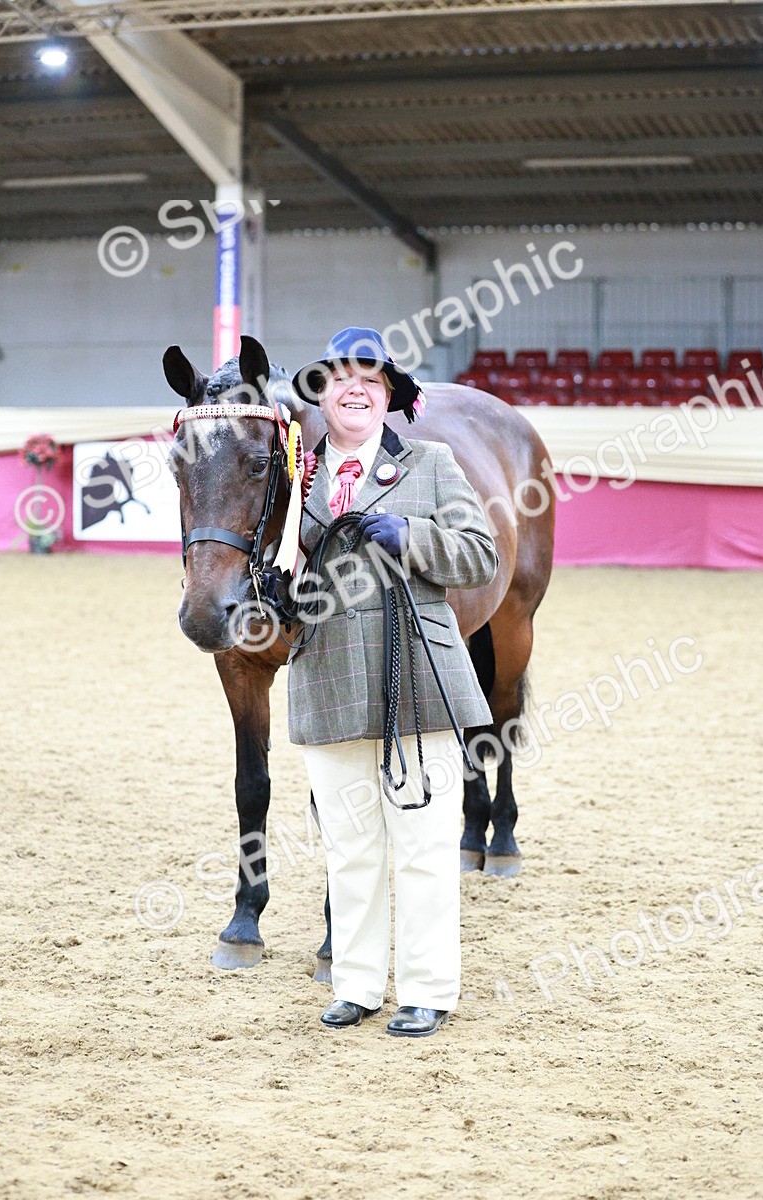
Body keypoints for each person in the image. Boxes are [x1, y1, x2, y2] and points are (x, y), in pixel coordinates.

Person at [288, 327, 498, 1037]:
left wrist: (411, 538)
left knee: (425, 847)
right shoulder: (295, 476)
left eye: (371, 380)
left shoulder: (431, 463)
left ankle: (428, 990)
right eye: (342, 377)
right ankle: (356, 984)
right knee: (349, 849)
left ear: (388, 396)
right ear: (322, 394)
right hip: (326, 673)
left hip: (418, 675)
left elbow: (480, 555)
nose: (356, 389)